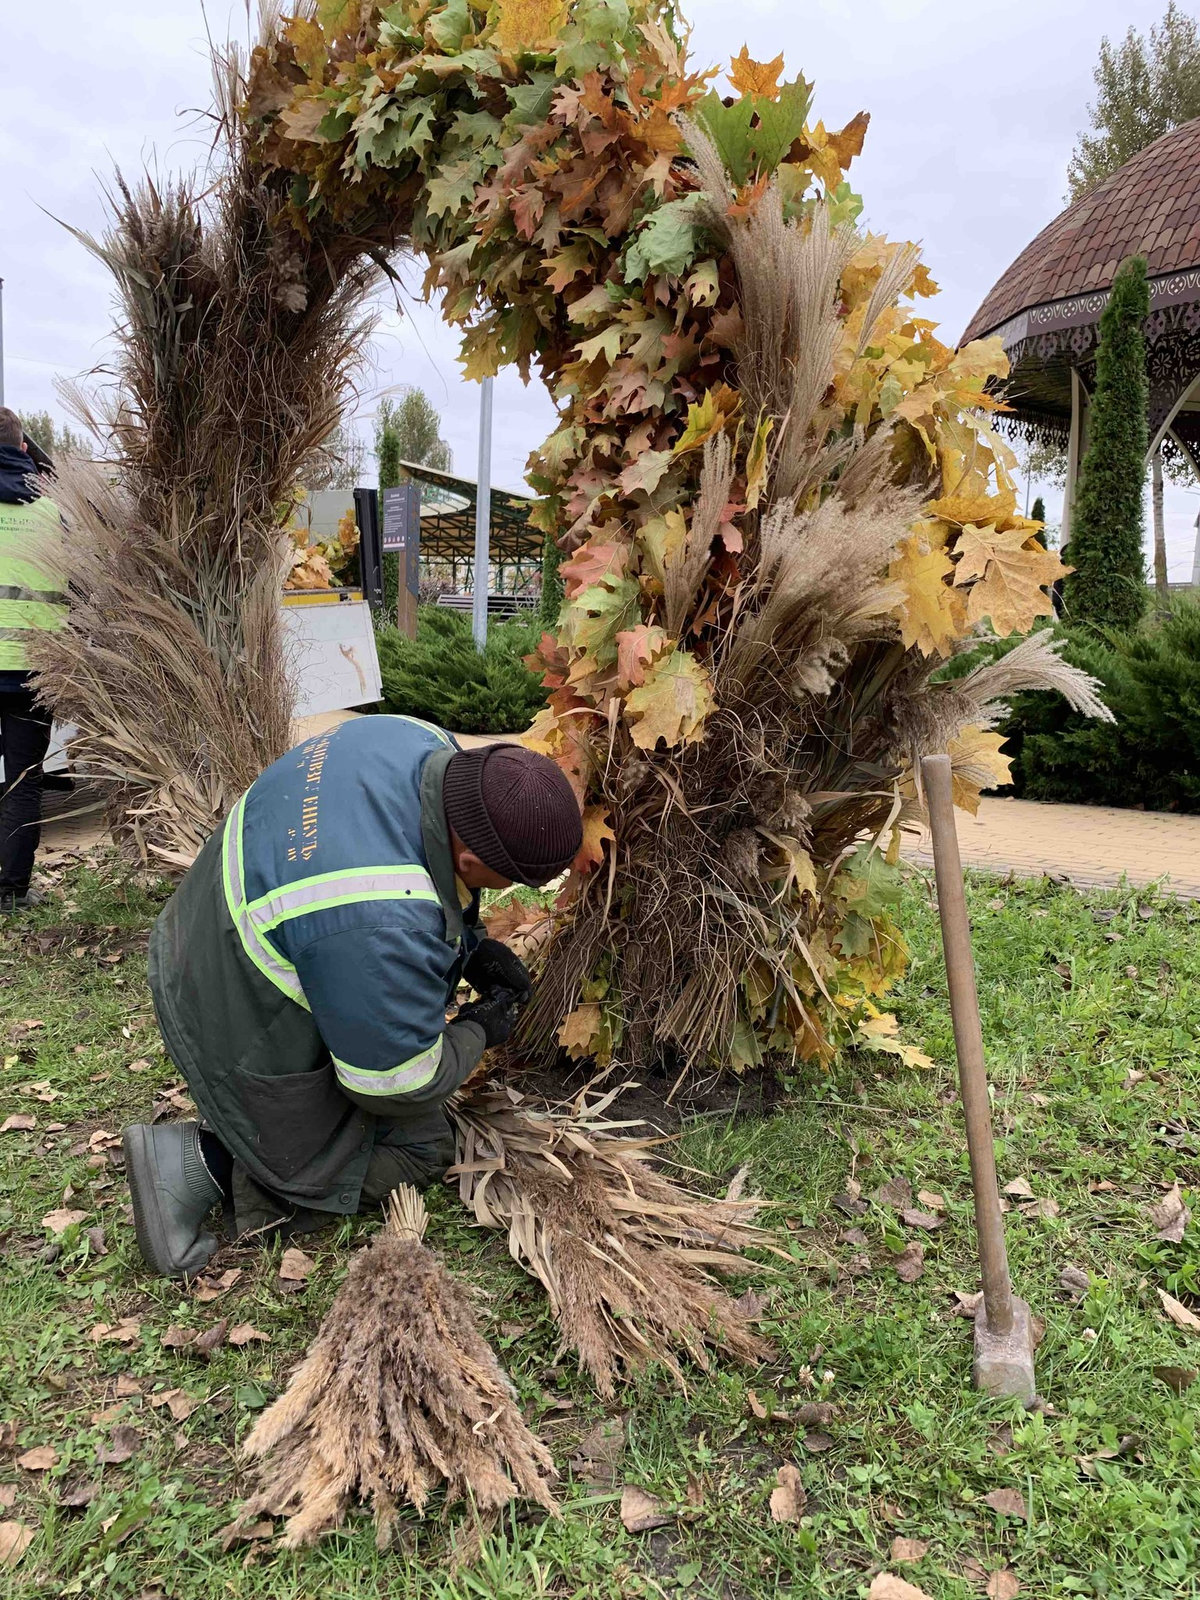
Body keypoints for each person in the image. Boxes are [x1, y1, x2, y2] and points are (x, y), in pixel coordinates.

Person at [122, 717, 582, 1277]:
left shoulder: (418, 740)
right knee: (420, 1143)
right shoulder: (379, 916)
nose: (504, 889)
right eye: (504, 878)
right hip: (224, 999)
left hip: (203, 922)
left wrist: (471, 945)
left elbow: (421, 853)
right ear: (469, 864)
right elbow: (398, 1086)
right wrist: (480, 1028)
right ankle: (204, 1164)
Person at [0, 408, 66, 912]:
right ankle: (12, 891)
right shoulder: (54, 509)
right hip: (33, 670)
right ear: (24, 448)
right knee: (23, 781)